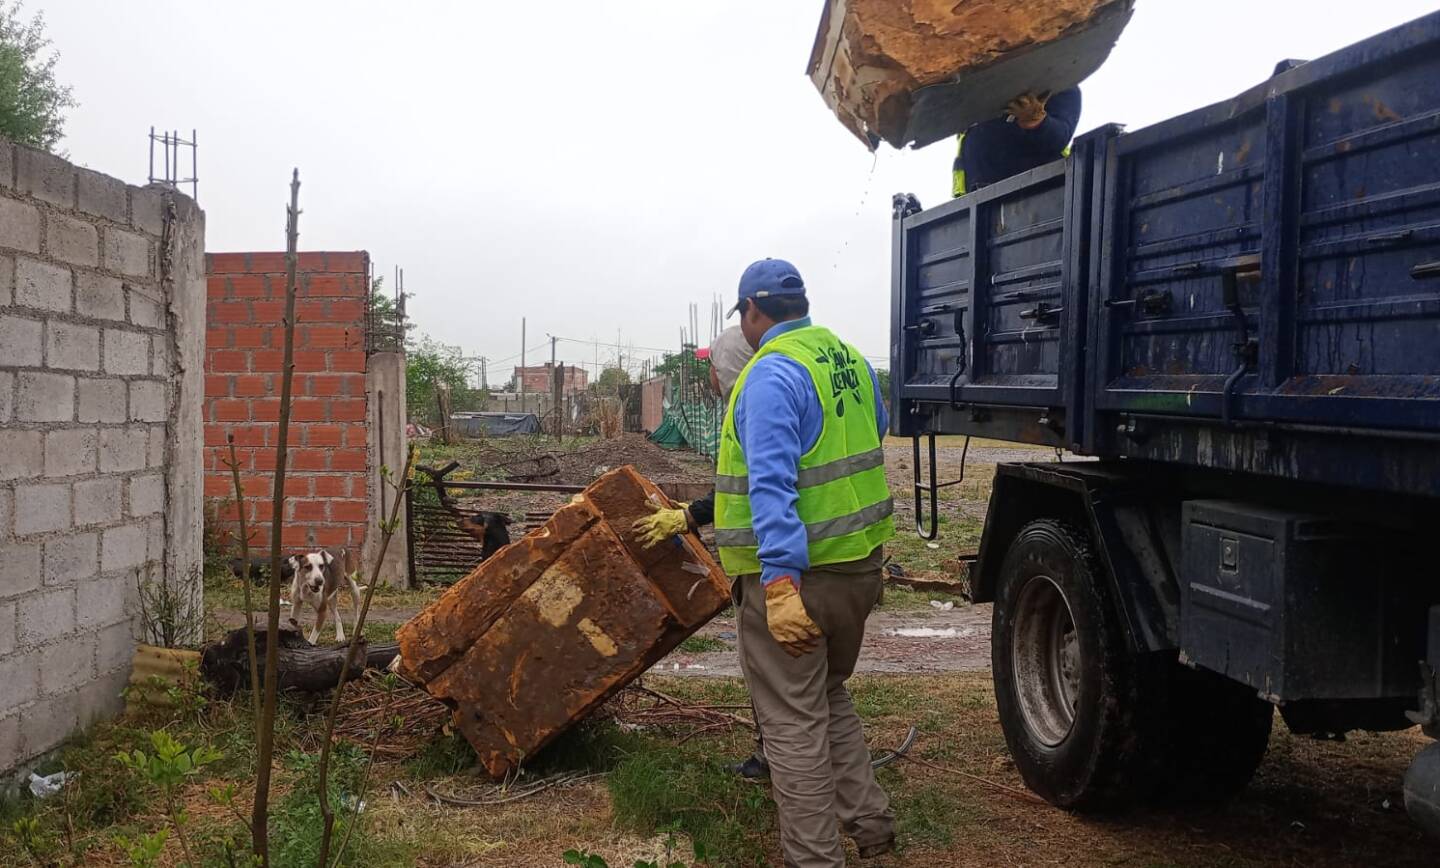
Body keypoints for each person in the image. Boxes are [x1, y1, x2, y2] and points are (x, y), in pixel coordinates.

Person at [719, 257, 896, 866]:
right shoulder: (850, 361)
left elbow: (772, 488)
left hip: (803, 580)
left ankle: (815, 858)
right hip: (859, 569)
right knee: (826, 692)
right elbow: (871, 440)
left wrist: (780, 585)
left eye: (741, 314)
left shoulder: (772, 374)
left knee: (791, 723)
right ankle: (871, 823)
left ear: (753, 311)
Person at [631, 325, 772, 779]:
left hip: (768, 562)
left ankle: (781, 763)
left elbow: (754, 486)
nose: (709, 374)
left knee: (773, 675)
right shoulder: (756, 400)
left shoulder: (753, 406)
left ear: (727, 367)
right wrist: (693, 513)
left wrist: (691, 515)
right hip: (789, 558)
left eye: (712, 365)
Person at [953, 87, 1082, 196]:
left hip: (1037, 195)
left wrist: (1036, 121)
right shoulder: (981, 92)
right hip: (977, 201)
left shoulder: (1061, 84)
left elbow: (1058, 138)